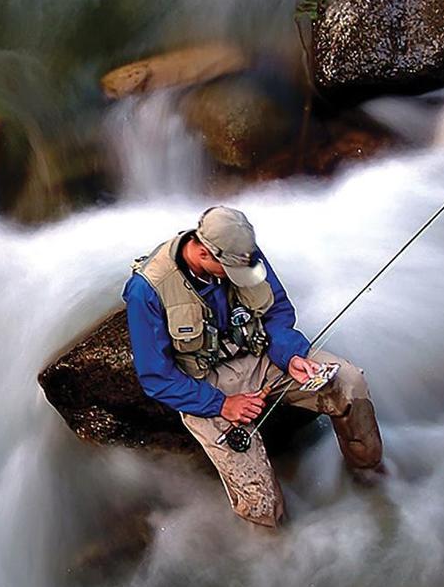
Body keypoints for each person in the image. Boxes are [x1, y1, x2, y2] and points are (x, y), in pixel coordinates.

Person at [123, 204, 383, 527]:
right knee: (260, 500)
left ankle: (371, 477)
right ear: (204, 253)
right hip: (205, 386)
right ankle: (275, 555)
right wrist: (222, 404)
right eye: (230, 271)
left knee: (349, 383)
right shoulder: (146, 290)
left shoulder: (242, 252)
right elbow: (155, 377)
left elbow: (277, 312)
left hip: (264, 358)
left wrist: (291, 355)